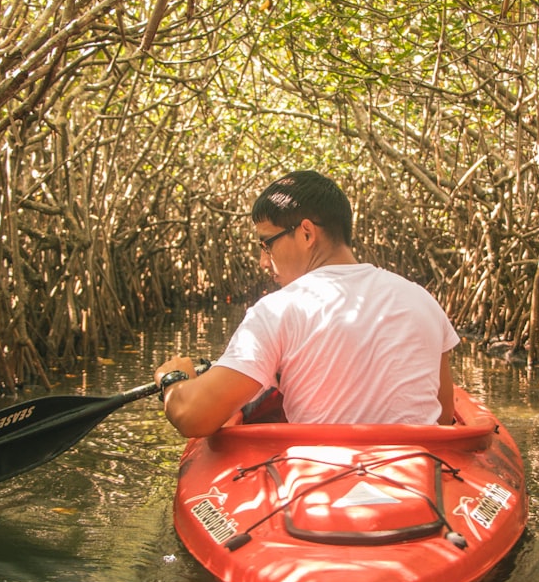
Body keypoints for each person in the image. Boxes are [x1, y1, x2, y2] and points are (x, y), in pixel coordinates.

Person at [154, 170, 459, 437]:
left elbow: (192, 417)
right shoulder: (422, 299)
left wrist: (174, 378)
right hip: (419, 477)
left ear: (307, 233)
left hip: (322, 486)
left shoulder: (277, 310)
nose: (263, 261)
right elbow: (444, 417)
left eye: (266, 243)